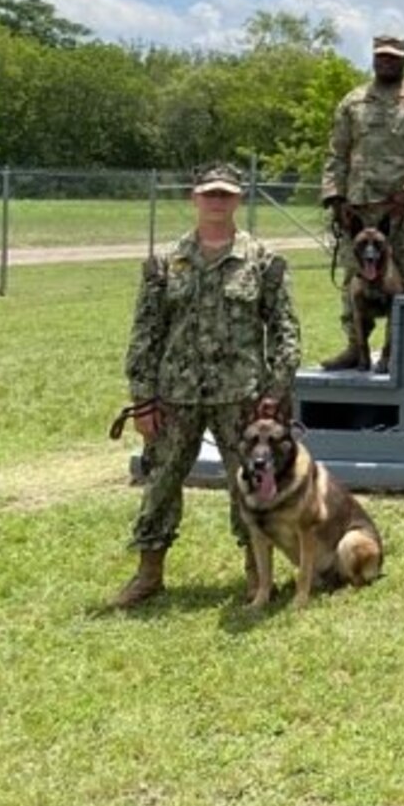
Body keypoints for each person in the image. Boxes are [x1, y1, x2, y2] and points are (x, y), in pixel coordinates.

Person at [113, 162, 301, 608]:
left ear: (239, 200)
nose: (217, 201)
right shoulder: (165, 262)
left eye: (226, 194)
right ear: (193, 198)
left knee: (252, 485)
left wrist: (274, 391)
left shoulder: (263, 261)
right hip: (175, 394)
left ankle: (258, 574)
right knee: (160, 482)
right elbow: (146, 332)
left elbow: (286, 330)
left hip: (243, 397)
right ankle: (148, 572)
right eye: (209, 193)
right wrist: (142, 398)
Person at [319, 34, 404, 371]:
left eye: (393, 57)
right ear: (373, 58)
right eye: (381, 56)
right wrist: (335, 197)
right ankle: (355, 348)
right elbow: (337, 151)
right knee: (354, 280)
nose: (386, 61)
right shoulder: (353, 102)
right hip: (360, 208)